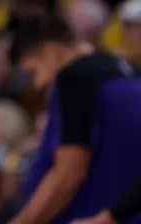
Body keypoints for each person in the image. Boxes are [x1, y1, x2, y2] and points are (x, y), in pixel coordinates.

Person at [10, 15, 141, 224]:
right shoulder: (128, 70)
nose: (38, 84)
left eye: (33, 72)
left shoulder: (74, 78)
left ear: (50, 50)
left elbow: (69, 174)